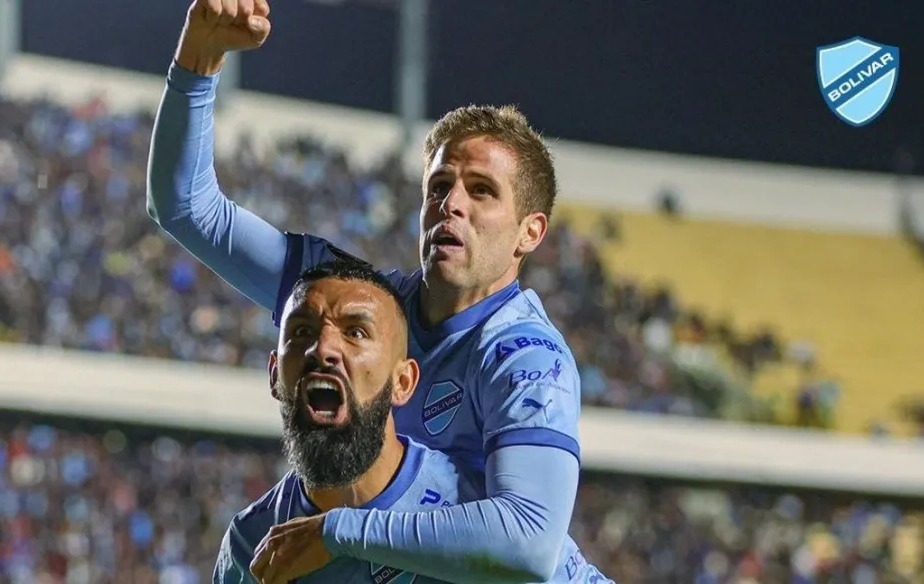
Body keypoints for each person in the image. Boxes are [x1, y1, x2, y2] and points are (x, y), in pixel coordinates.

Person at [148, 1, 601, 582]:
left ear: (529, 233)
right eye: (439, 186)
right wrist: (197, 59)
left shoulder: (524, 357)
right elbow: (185, 209)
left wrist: (340, 533)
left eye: (481, 191)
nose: (451, 205)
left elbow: (529, 545)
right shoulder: (356, 307)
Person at [214, 261, 610, 583]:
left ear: (403, 382)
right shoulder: (250, 545)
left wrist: (339, 534)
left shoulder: (471, 518)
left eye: (355, 332)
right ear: (274, 374)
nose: (324, 349)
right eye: (302, 331)